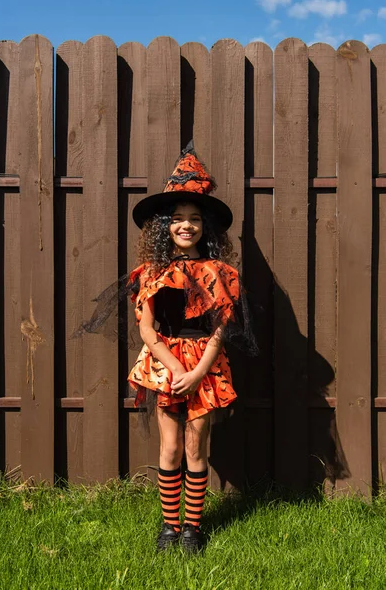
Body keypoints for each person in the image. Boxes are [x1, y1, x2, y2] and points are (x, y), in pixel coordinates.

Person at [126, 142, 255, 552]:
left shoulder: (221, 273)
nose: (186, 226)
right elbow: (146, 328)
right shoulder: (151, 272)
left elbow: (221, 330)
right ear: (165, 225)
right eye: (177, 219)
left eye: (194, 219)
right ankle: (168, 526)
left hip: (205, 365)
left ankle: (192, 529)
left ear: (206, 227)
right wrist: (174, 367)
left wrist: (198, 372)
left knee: (198, 445)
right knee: (170, 445)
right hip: (166, 363)